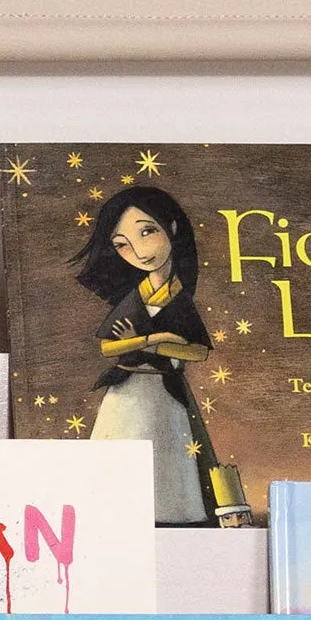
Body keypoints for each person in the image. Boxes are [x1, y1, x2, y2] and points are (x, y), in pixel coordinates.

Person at [75, 179, 238, 528]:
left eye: (147, 232)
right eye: (123, 245)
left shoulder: (180, 298)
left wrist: (154, 339)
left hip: (166, 394)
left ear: (172, 227)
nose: (139, 251)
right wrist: (151, 340)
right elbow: (108, 346)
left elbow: (198, 352)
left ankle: (173, 518)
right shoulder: (133, 297)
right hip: (127, 393)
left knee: (169, 460)